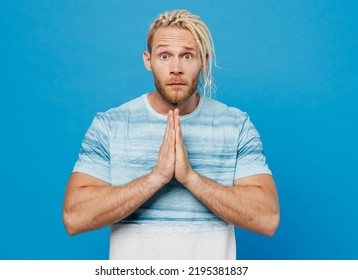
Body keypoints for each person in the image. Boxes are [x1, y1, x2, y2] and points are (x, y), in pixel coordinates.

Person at [63, 9, 280, 260]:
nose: (176, 68)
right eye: (164, 55)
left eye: (187, 56)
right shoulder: (110, 125)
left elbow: (268, 218)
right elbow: (74, 218)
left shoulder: (235, 124)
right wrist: (156, 178)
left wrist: (190, 178)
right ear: (148, 60)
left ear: (204, 60)